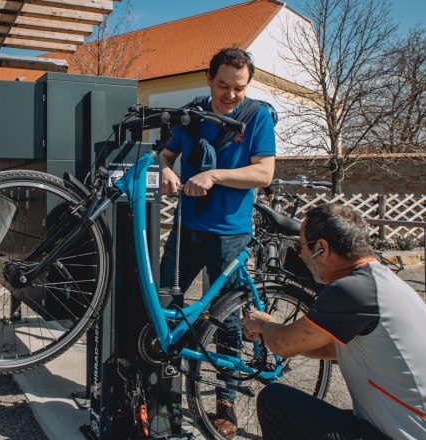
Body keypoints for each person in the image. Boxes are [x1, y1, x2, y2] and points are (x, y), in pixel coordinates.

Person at [242, 203, 426, 440]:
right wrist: (276, 335)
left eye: (301, 246)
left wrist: (264, 324)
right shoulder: (380, 282)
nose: (299, 254)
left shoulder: (352, 291)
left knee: (276, 401)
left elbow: (284, 345)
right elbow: (330, 348)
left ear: (321, 248)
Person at [159, 46, 276, 437]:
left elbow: (263, 173)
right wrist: (166, 172)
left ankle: (225, 400)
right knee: (161, 307)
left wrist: (215, 175)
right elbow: (166, 153)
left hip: (230, 232)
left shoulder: (256, 116)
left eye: (239, 88)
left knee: (226, 322)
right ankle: (158, 388)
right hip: (186, 228)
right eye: (223, 85)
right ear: (209, 79)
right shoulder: (192, 111)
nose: (230, 94)